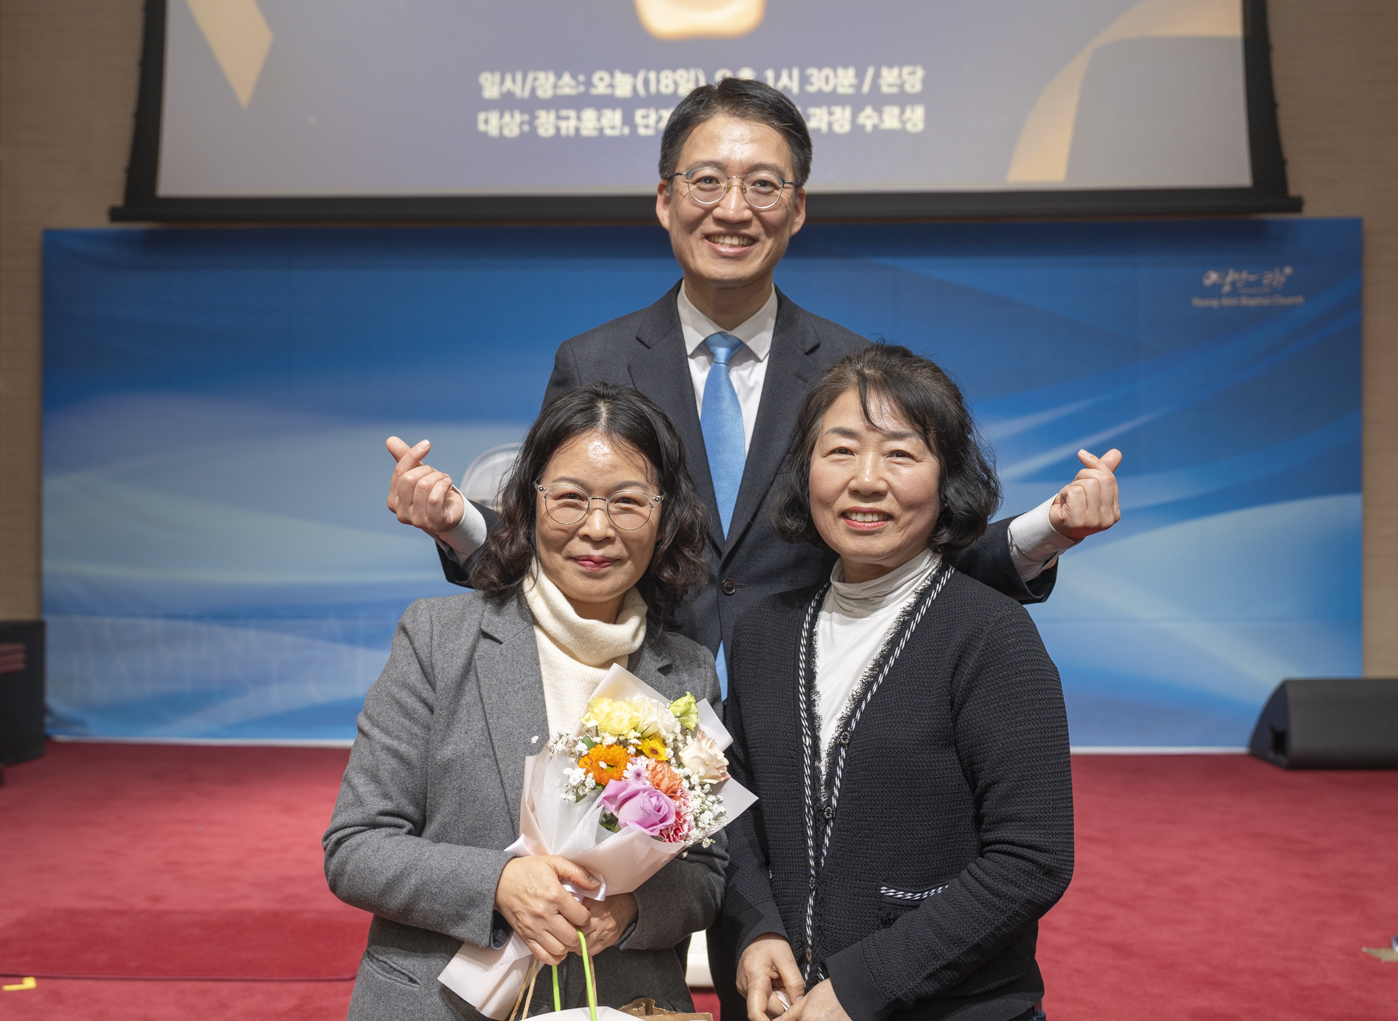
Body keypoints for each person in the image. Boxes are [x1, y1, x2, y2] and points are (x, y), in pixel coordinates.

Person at [383, 76, 1115, 1018]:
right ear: (664, 198)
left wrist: (1044, 532)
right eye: (707, 181)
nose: (734, 208)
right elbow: (566, 535)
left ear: (798, 207)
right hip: (643, 718)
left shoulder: (850, 367)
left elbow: (915, 557)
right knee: (619, 967)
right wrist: (460, 524)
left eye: (764, 184)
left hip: (813, 725)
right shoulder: (594, 359)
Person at [324, 384, 725, 1021]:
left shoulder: (687, 672)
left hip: (620, 1004)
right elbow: (356, 847)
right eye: (570, 498)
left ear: (665, 516)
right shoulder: (439, 640)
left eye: (627, 502)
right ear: (529, 503)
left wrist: (629, 909)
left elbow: (706, 873)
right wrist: (498, 883)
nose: (597, 528)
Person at [721, 345, 1074, 1021]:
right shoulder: (762, 632)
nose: (866, 480)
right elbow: (731, 805)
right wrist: (755, 927)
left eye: (901, 454)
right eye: (841, 451)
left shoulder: (992, 635)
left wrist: (862, 985)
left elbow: (1033, 859)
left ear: (948, 478)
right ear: (804, 470)